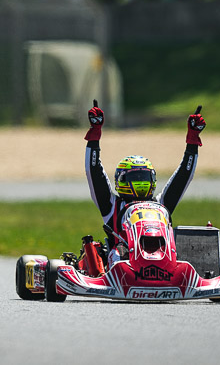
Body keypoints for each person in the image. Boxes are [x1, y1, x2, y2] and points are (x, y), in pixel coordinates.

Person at [84, 100, 205, 266]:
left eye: (144, 178)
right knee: (118, 253)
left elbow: (184, 176)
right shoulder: (111, 206)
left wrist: (192, 140)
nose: (140, 182)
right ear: (122, 181)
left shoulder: (161, 205)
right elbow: (94, 171)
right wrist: (94, 135)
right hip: (124, 264)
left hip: (163, 261)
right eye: (135, 178)